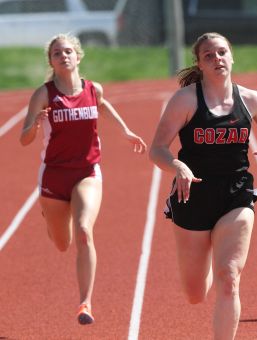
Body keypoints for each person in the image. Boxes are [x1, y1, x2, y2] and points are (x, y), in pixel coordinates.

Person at [149, 32, 257, 339]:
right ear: (199, 64)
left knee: (229, 278)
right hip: (193, 195)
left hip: (236, 193)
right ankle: (209, 258)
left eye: (222, 53)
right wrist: (177, 165)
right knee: (195, 293)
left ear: (232, 56)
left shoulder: (250, 99)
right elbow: (157, 148)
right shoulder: (186, 100)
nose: (217, 59)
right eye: (209, 56)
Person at [19, 33, 147, 325]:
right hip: (54, 174)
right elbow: (23, 139)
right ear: (51, 61)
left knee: (84, 231)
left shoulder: (93, 89)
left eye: (68, 51)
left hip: (87, 171)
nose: (63, 56)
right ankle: (50, 218)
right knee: (62, 242)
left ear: (78, 56)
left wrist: (125, 131)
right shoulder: (44, 94)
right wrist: (35, 125)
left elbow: (103, 105)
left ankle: (85, 303)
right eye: (56, 54)